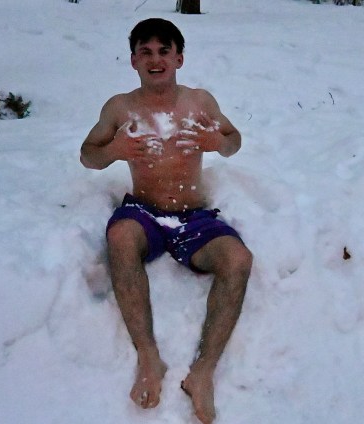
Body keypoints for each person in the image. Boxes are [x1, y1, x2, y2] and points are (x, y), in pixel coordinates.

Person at [79, 18, 252, 424]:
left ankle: (203, 371)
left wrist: (217, 142)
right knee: (120, 236)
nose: (155, 59)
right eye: (145, 52)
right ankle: (148, 356)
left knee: (238, 260)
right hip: (144, 212)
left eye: (163, 51)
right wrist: (115, 150)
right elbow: (88, 154)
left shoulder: (200, 102)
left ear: (179, 58)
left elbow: (234, 140)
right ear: (133, 61)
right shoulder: (120, 107)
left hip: (194, 217)